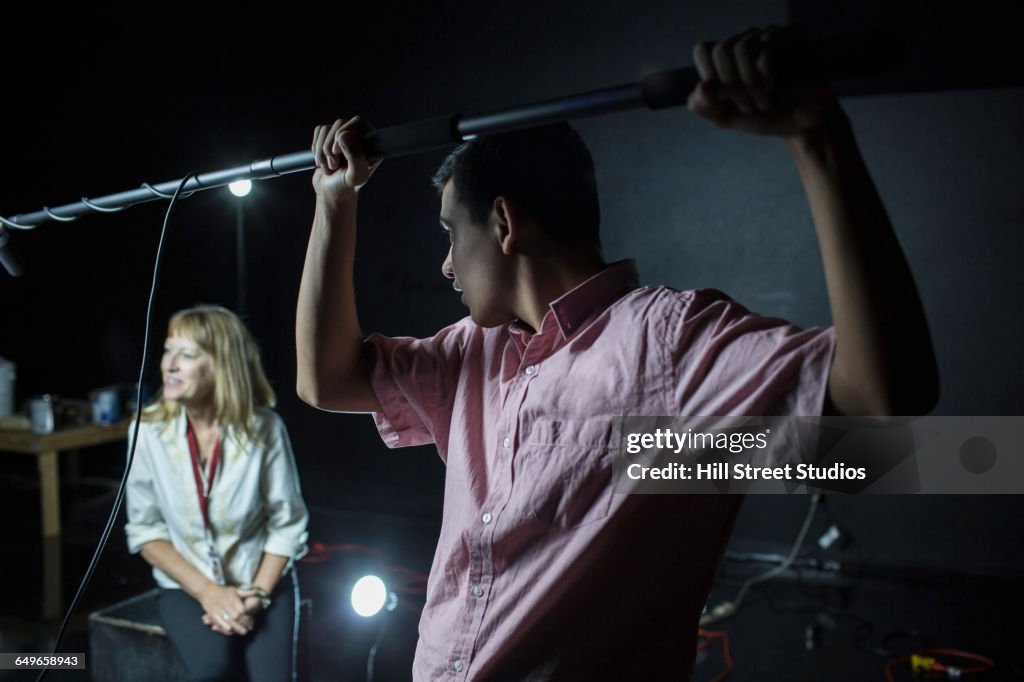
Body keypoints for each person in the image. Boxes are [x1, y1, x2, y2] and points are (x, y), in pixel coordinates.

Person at [295, 26, 938, 680]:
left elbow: (884, 400)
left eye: (449, 234)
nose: (445, 265)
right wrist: (333, 201)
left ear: (504, 223)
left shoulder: (667, 340)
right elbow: (326, 379)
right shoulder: (470, 355)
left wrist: (816, 136)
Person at [126, 305, 309, 682]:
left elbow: (287, 526)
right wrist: (209, 591)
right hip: (186, 585)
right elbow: (145, 532)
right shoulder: (145, 432)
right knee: (214, 670)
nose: (169, 365)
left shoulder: (265, 429)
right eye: (167, 350)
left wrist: (256, 595)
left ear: (222, 365)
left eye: (187, 354)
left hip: (260, 579)